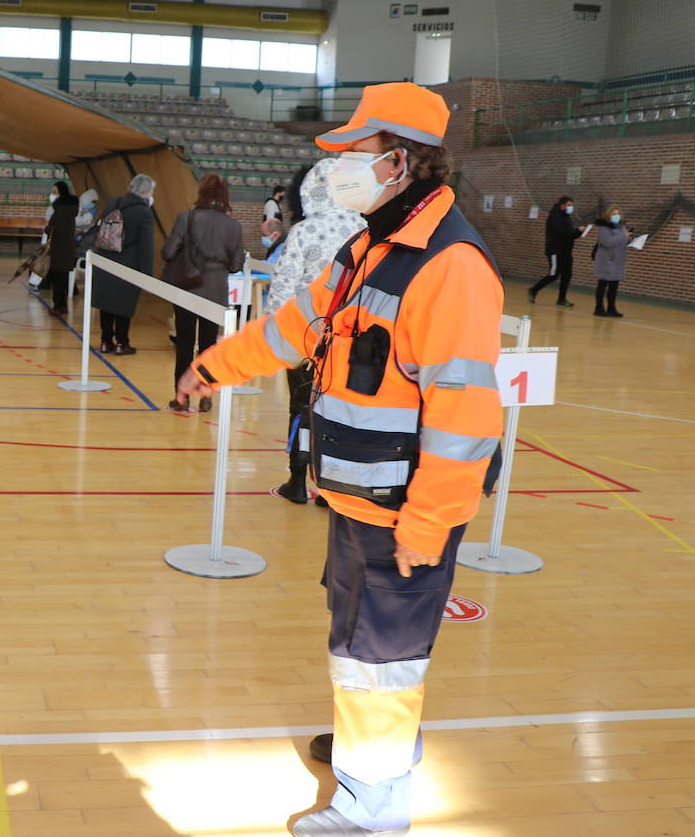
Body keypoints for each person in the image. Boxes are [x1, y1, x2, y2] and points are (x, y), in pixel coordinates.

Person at [176, 82, 503, 837]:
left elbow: (466, 420)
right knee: (358, 642)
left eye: (355, 155)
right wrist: (214, 367)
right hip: (355, 497)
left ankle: (371, 810)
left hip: (402, 513)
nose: (338, 170)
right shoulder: (366, 249)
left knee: (381, 659)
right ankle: (370, 752)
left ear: (403, 162)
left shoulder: (451, 267)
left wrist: (428, 526)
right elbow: (293, 330)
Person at [264, 157, 367, 503]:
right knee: (341, 413)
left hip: (306, 339)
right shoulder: (367, 230)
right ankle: (331, 488)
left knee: (301, 408)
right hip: (353, 340)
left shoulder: (304, 231)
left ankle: (296, 481)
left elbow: (282, 290)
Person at [162, 173, 245, 412]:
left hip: (188, 287)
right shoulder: (233, 226)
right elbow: (236, 265)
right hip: (217, 289)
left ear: (201, 193)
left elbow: (168, 252)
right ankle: (206, 396)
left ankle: (181, 398)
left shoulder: (186, 218)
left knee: (185, 343)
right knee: (209, 347)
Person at [91, 174, 157, 355]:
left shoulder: (113, 202)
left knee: (106, 304)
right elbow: (146, 246)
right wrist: (146, 275)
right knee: (123, 306)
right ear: (146, 192)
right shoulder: (144, 212)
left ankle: (105, 341)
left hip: (105, 260)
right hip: (127, 264)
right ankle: (122, 343)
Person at [527, 195, 580, 308]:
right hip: (556, 250)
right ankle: (533, 289)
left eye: (572, 205)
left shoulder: (566, 217)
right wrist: (576, 230)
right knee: (554, 274)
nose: (571, 208)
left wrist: (579, 232)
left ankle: (561, 299)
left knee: (567, 275)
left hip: (566, 251)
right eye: (569, 205)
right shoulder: (554, 216)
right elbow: (561, 232)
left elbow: (569, 234)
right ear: (562, 205)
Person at [42, 181, 79, 316]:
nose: (52, 195)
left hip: (59, 249)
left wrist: (48, 228)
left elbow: (58, 229)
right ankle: (62, 305)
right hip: (66, 248)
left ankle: (58, 306)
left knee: (57, 278)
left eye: (55, 192)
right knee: (62, 278)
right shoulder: (69, 208)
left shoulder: (62, 209)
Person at [592, 205, 633, 318]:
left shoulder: (621, 226)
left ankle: (611, 308)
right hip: (606, 260)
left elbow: (624, 239)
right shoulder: (603, 227)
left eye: (618, 214)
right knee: (603, 284)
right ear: (608, 215)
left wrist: (631, 240)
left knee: (614, 285)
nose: (616, 216)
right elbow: (607, 242)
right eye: (614, 214)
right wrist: (624, 236)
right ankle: (599, 308)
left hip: (618, 260)